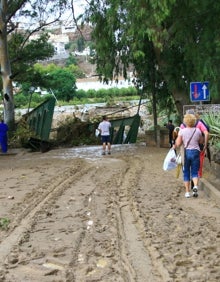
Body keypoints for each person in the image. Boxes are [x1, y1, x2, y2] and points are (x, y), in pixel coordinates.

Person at [173, 114, 203, 198]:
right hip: (196, 152)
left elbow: (178, 143)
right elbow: (201, 141)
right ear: (194, 121)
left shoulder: (182, 131)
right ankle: (195, 187)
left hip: (186, 153)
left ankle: (187, 192)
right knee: (195, 172)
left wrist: (178, 140)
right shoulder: (197, 130)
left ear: (185, 121)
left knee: (186, 172)